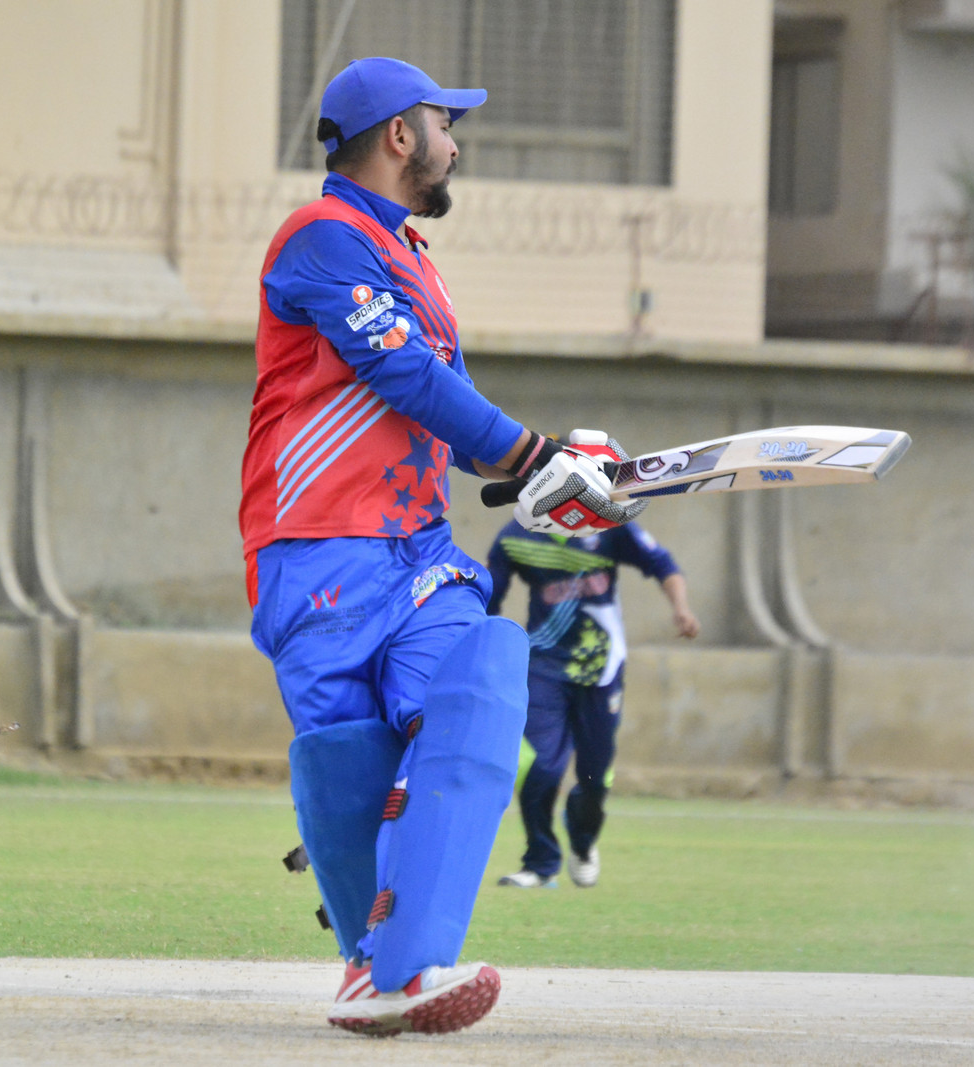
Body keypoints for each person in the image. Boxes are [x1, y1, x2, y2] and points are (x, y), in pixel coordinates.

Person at [240, 57, 645, 1037]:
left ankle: (409, 961)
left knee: (477, 683)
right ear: (398, 134)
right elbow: (402, 373)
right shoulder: (322, 237)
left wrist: (548, 473)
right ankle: (368, 963)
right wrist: (533, 453)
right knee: (348, 757)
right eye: (444, 124)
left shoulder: (412, 258)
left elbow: (445, 415)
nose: (454, 144)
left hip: (418, 551)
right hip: (319, 548)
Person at [487, 519, 698, 890]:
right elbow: (489, 598)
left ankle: (583, 843)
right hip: (544, 667)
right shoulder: (515, 536)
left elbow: (662, 564)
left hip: (602, 669)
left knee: (594, 777)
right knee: (537, 764)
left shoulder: (608, 526)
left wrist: (681, 607)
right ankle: (540, 863)